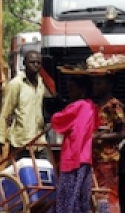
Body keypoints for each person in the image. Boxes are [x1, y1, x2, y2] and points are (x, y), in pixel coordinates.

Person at [48, 77, 99, 213]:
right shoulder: (92, 106)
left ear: (81, 91)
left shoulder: (76, 106)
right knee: (81, 196)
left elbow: (57, 120)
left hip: (72, 157)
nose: (69, 93)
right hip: (85, 158)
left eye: (72, 89)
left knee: (67, 196)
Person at [0, 50, 47, 162]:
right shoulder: (16, 84)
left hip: (39, 143)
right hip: (20, 143)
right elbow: (5, 114)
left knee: (42, 176)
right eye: (32, 62)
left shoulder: (41, 84)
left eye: (38, 63)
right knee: (17, 176)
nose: (36, 65)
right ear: (24, 63)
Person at [92, 74, 125, 213]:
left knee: (108, 193)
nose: (95, 86)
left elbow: (121, 133)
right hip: (96, 157)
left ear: (109, 85)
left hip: (108, 158)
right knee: (98, 193)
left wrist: (101, 137)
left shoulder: (113, 105)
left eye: (99, 83)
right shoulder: (98, 105)